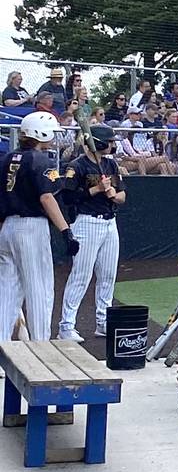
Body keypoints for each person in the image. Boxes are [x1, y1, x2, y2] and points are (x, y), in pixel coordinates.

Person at [0, 113, 81, 340]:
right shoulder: (41, 160)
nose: (53, 139)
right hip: (31, 228)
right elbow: (47, 198)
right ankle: (41, 347)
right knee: (40, 289)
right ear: (40, 133)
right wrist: (66, 231)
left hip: (7, 228)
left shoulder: (6, 159)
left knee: (6, 294)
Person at [58, 125, 125, 340]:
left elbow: (122, 196)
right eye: (110, 141)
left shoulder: (110, 164)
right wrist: (95, 189)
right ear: (98, 142)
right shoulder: (76, 166)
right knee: (81, 275)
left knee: (108, 275)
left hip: (109, 222)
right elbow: (67, 198)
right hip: (86, 222)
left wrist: (113, 194)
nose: (113, 145)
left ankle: (103, 321)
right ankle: (66, 326)